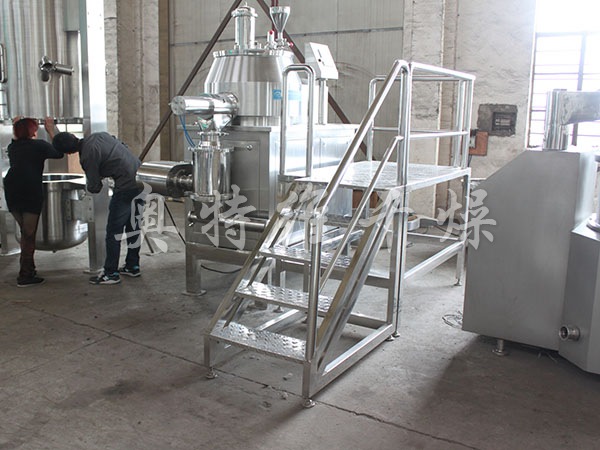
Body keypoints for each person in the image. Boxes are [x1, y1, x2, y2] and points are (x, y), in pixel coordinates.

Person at [46, 124, 144, 285]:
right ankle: (133, 266)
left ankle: (111, 273)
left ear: (68, 153)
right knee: (133, 227)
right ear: (74, 136)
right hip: (141, 180)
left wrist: (91, 182)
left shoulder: (87, 156)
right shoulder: (99, 135)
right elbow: (121, 146)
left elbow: (95, 187)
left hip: (126, 188)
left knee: (113, 232)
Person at [3, 117, 64, 287]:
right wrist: (51, 130)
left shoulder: (13, 147)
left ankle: (29, 268)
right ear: (33, 131)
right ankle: (25, 275)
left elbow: (16, 140)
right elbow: (59, 153)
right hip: (30, 191)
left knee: (25, 232)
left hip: (12, 189)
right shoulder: (39, 146)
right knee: (29, 234)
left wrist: (17, 125)